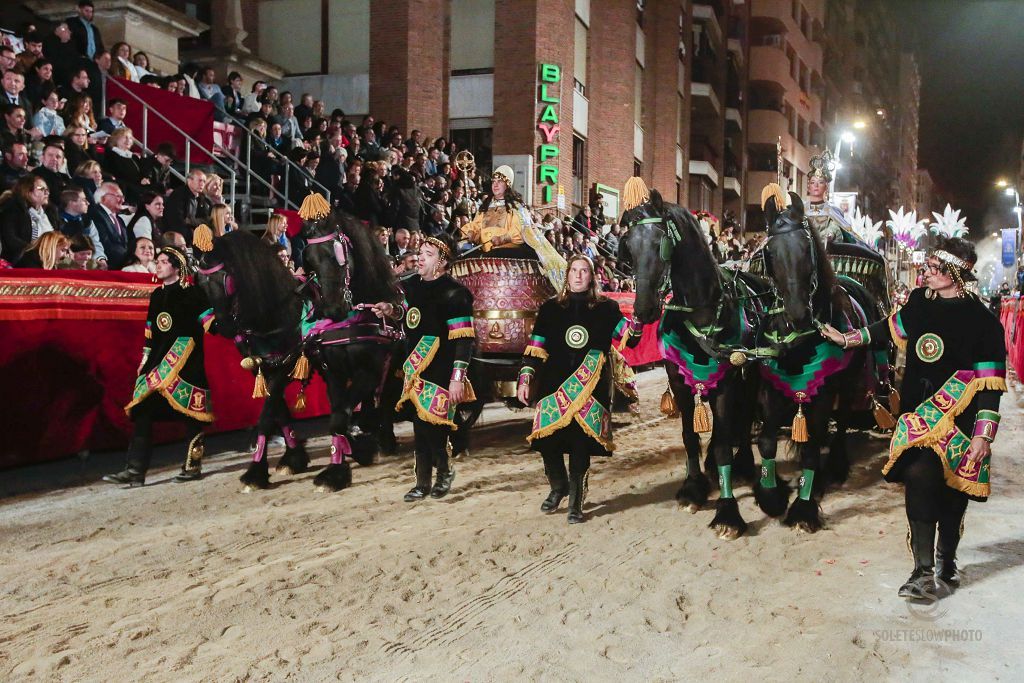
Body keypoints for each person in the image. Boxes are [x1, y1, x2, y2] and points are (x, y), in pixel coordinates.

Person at [820, 237, 1006, 600]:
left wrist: (984, 436)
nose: (927, 272)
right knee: (921, 477)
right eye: (929, 266)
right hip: (918, 415)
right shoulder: (920, 304)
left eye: (936, 268)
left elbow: (990, 384)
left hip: (962, 420)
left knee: (953, 495)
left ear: (957, 273)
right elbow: (885, 330)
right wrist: (847, 338)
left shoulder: (984, 322)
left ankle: (946, 557)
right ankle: (922, 571)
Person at [516, 254, 643, 523]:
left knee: (579, 444)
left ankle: (575, 501)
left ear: (591, 276)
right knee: (546, 440)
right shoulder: (550, 308)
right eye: (574, 270)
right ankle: (558, 486)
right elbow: (535, 348)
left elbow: (628, 339)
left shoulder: (606, 308)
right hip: (554, 381)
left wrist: (640, 318)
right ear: (567, 274)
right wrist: (525, 377)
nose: (578, 275)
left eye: (583, 271)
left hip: (591, 382)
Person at [103, 246, 214, 486]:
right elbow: (150, 332)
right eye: (158, 261)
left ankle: (192, 466)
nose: (159, 265)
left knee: (192, 416)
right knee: (143, 410)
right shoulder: (156, 295)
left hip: (187, 360)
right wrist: (144, 360)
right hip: (157, 361)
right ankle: (135, 471)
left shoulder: (193, 294)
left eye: (164, 261)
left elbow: (209, 323)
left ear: (176, 267)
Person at [394, 233, 475, 502]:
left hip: (442, 366)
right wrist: (389, 311)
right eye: (420, 252)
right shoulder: (411, 287)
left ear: (441, 262)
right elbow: (406, 314)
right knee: (418, 426)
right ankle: (422, 482)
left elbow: (464, 339)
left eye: (427, 254)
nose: (419, 257)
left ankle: (443, 473)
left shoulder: (456, 293)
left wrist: (457, 378)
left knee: (435, 426)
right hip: (415, 366)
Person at [0, 174, 58, 262]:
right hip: (21, 260)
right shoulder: (13, 208)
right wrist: (35, 250)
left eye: (47, 190)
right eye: (41, 189)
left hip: (47, 257)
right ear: (28, 192)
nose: (47, 193)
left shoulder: (49, 212)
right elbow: (10, 239)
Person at [56, 187, 108, 268]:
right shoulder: (57, 222)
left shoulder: (87, 222)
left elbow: (95, 242)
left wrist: (100, 258)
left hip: (87, 259)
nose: (88, 203)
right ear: (72, 203)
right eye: (84, 200)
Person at [89, 181, 130, 268]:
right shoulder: (95, 214)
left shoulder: (119, 219)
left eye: (123, 197)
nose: (122, 200)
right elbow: (104, 243)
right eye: (118, 196)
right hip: (107, 267)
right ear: (103, 197)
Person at [163, 169, 209, 242]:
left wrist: (190, 221)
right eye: (200, 180)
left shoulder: (202, 197)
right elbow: (177, 220)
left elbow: (206, 219)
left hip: (192, 232)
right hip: (176, 234)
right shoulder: (178, 195)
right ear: (189, 180)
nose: (202, 184)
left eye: (204, 181)